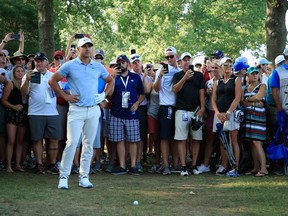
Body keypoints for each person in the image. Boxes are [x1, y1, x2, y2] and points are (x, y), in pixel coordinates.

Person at [49, 37, 113, 189]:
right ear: (78, 49)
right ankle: (63, 177)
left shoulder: (97, 67)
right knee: (71, 143)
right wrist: (64, 96)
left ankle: (84, 176)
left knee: (89, 144)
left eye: (90, 46)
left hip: (93, 110)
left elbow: (111, 81)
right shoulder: (70, 65)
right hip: (76, 110)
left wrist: (104, 95)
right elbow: (52, 81)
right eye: (84, 46)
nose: (87, 49)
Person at [21, 52, 60, 175]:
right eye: (37, 61)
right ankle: (39, 164)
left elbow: (58, 92)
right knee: (37, 140)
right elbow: (23, 92)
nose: (39, 63)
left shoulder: (53, 75)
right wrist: (27, 80)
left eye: (41, 60)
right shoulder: (29, 75)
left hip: (52, 113)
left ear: (47, 62)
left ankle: (52, 164)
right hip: (35, 112)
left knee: (54, 139)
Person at [109, 54, 145, 175]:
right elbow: (109, 93)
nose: (121, 64)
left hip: (131, 113)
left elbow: (142, 93)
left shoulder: (135, 77)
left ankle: (134, 165)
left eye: (123, 62)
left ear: (128, 63)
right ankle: (122, 165)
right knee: (119, 140)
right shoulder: (114, 78)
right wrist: (112, 78)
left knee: (133, 140)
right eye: (119, 62)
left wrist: (137, 103)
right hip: (116, 113)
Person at [172, 52, 205, 176]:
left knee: (196, 139)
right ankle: (184, 167)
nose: (187, 62)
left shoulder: (199, 75)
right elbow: (175, 89)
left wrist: (202, 108)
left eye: (188, 59)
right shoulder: (177, 75)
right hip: (182, 110)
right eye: (184, 60)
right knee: (181, 139)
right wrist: (184, 78)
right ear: (180, 63)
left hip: (196, 111)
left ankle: (194, 165)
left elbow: (202, 91)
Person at [212, 57, 242, 177]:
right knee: (222, 141)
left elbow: (237, 98)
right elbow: (213, 99)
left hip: (232, 114)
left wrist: (228, 112)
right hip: (219, 114)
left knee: (233, 140)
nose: (228, 67)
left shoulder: (236, 80)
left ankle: (236, 167)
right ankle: (224, 166)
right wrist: (218, 113)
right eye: (225, 65)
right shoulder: (217, 82)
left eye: (230, 65)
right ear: (221, 67)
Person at [153, 46, 181, 175]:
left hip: (178, 107)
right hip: (165, 106)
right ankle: (165, 165)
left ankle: (175, 164)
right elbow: (156, 89)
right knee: (164, 137)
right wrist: (159, 77)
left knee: (176, 137)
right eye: (167, 57)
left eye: (171, 56)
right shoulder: (161, 71)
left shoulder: (180, 71)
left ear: (176, 56)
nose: (169, 59)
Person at [240, 66, 268, 176]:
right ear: (248, 76)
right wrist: (253, 102)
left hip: (259, 117)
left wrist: (248, 99)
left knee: (257, 141)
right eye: (253, 73)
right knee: (252, 142)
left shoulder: (262, 85)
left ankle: (264, 168)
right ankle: (255, 167)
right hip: (248, 117)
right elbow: (242, 102)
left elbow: (259, 97)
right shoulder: (244, 88)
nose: (255, 75)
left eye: (256, 73)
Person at [1, 65, 27, 172]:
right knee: (11, 140)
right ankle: (8, 165)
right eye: (18, 71)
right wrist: (14, 107)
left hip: (23, 114)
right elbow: (3, 100)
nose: (20, 73)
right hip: (12, 114)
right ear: (14, 73)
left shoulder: (26, 84)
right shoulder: (10, 84)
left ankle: (17, 164)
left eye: (22, 71)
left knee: (20, 141)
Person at [198, 60, 221, 173]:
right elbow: (205, 97)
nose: (214, 70)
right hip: (211, 113)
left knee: (223, 140)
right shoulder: (209, 82)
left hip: (222, 113)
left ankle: (224, 164)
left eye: (217, 67)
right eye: (212, 68)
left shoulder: (225, 81)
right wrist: (207, 92)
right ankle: (206, 164)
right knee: (209, 139)